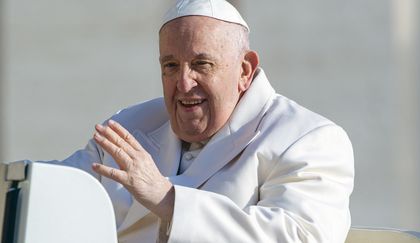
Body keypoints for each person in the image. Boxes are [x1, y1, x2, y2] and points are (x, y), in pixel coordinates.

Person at [42, 0, 354, 242]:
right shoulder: (132, 126)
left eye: (201, 64)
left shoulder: (307, 139)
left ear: (245, 70)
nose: (184, 83)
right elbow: (51, 189)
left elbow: (300, 237)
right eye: (171, 66)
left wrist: (169, 200)